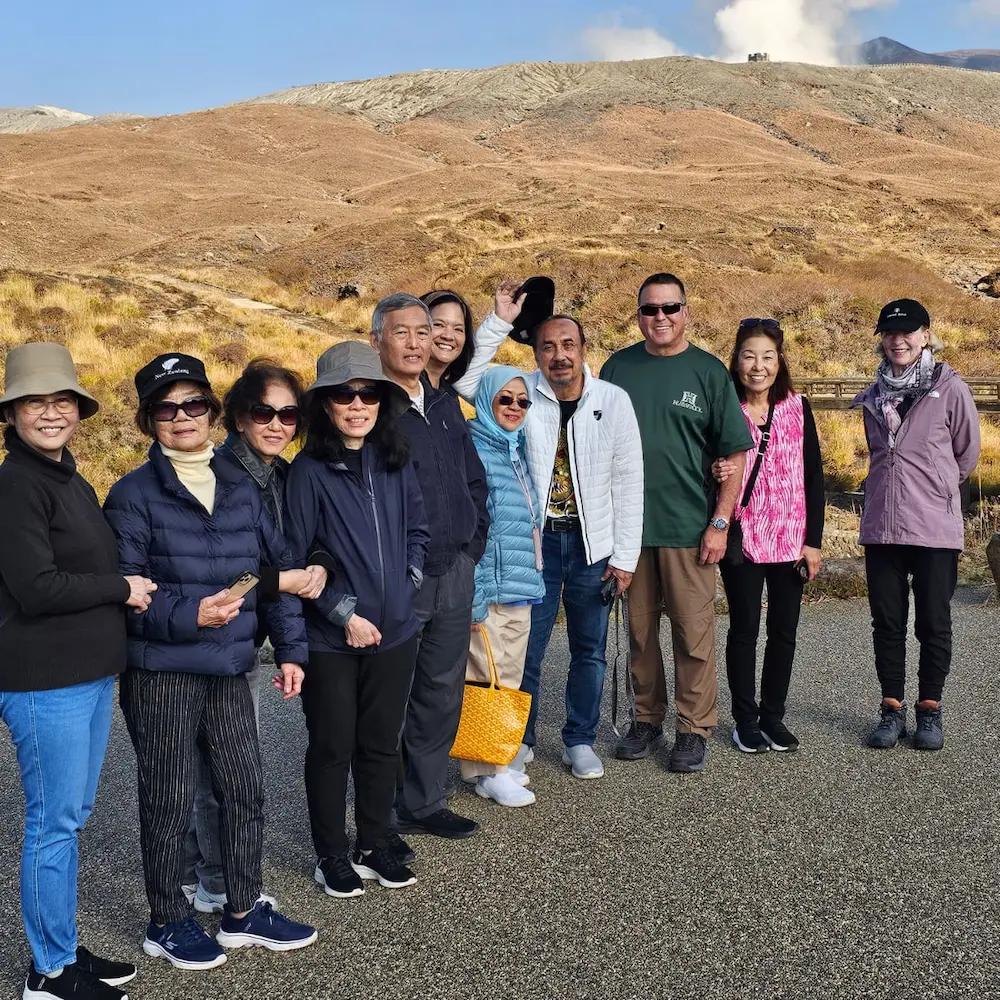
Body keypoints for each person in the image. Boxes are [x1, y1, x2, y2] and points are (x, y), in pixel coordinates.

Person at [104, 353, 317, 971]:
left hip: (228, 665)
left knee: (243, 788)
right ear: (149, 421)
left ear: (212, 411)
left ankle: (243, 910)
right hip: (161, 671)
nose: (182, 417)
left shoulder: (241, 488)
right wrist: (191, 613)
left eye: (193, 404)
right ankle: (167, 920)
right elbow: (124, 588)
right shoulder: (132, 494)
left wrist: (292, 650)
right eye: (166, 409)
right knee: (167, 797)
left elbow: (265, 575)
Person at [0, 343, 155, 1000]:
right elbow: (36, 587)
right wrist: (121, 589)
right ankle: (49, 974)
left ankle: (60, 947)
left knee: (73, 815)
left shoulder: (66, 476)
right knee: (53, 824)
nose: (51, 412)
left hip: (87, 677)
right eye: (35, 401)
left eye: (62, 400)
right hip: (44, 682)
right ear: (12, 413)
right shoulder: (14, 485)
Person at [456, 293, 644, 780]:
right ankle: (520, 740)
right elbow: (465, 378)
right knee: (525, 651)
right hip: (536, 548)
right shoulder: (522, 392)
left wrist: (624, 558)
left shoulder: (612, 401)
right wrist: (499, 322)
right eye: (547, 346)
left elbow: (629, 483)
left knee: (590, 648)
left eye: (568, 344)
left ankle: (579, 739)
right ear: (535, 352)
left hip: (591, 546)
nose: (559, 354)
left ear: (583, 349)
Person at [181, 359, 328, 914]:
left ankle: (203, 874)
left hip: (249, 638)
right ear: (239, 417)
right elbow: (215, 572)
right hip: (214, 636)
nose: (276, 423)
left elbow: (299, 543)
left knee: (218, 768)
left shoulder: (283, 474)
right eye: (262, 411)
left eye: (288, 413)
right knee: (221, 772)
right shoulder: (216, 475)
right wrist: (282, 578)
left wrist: (311, 565)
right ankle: (218, 882)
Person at [284, 341, 429, 897]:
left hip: (396, 633)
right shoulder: (309, 472)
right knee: (332, 747)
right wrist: (344, 614)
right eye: (344, 394)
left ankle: (373, 840)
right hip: (333, 640)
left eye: (368, 393)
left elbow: (418, 530)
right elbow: (297, 559)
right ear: (325, 405)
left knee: (379, 743)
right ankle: (332, 854)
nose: (357, 403)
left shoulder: (394, 459)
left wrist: (408, 584)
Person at [601, 272, 754, 773]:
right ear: (638, 314)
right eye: (650, 310)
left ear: (686, 312)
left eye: (670, 308)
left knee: (693, 634)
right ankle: (647, 719)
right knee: (640, 634)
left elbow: (733, 451)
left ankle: (693, 728)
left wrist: (720, 522)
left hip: (689, 527)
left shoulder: (708, 372)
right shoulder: (617, 368)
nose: (660, 317)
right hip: (629, 531)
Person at [369, 293, 489, 842]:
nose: (417, 342)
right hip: (398, 579)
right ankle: (381, 805)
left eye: (424, 331)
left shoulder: (443, 404)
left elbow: (472, 481)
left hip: (453, 572)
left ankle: (424, 800)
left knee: (441, 693)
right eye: (403, 332)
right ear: (379, 340)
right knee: (389, 695)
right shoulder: (368, 407)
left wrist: (472, 546)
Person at [853, 299, 980, 751]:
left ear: (926, 335)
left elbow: (966, 455)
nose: (898, 339)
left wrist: (937, 489)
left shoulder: (950, 388)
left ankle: (930, 709)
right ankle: (891, 709)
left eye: (908, 331)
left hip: (933, 528)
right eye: (890, 333)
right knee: (886, 621)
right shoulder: (873, 394)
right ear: (883, 340)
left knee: (933, 620)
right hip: (882, 527)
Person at [711, 319, 825, 754]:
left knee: (785, 631)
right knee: (744, 629)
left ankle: (773, 716)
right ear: (736, 361)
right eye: (748, 356)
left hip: (790, 536)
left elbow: (813, 477)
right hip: (742, 534)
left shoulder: (797, 406)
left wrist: (812, 540)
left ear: (780, 362)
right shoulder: (723, 407)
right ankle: (745, 720)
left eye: (767, 356)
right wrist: (715, 469)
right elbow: (708, 462)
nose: (757, 366)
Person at [458, 366, 545, 805]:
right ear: (486, 401)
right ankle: (484, 771)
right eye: (504, 399)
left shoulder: (516, 447)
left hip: (520, 583)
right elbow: (471, 528)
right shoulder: (474, 447)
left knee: (508, 677)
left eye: (522, 401)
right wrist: (472, 598)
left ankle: (501, 756)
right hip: (489, 587)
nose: (514, 407)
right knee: (484, 678)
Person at [421, 289, 476, 391]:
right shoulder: (396, 390)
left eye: (458, 329)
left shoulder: (448, 395)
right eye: (438, 324)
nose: (448, 336)